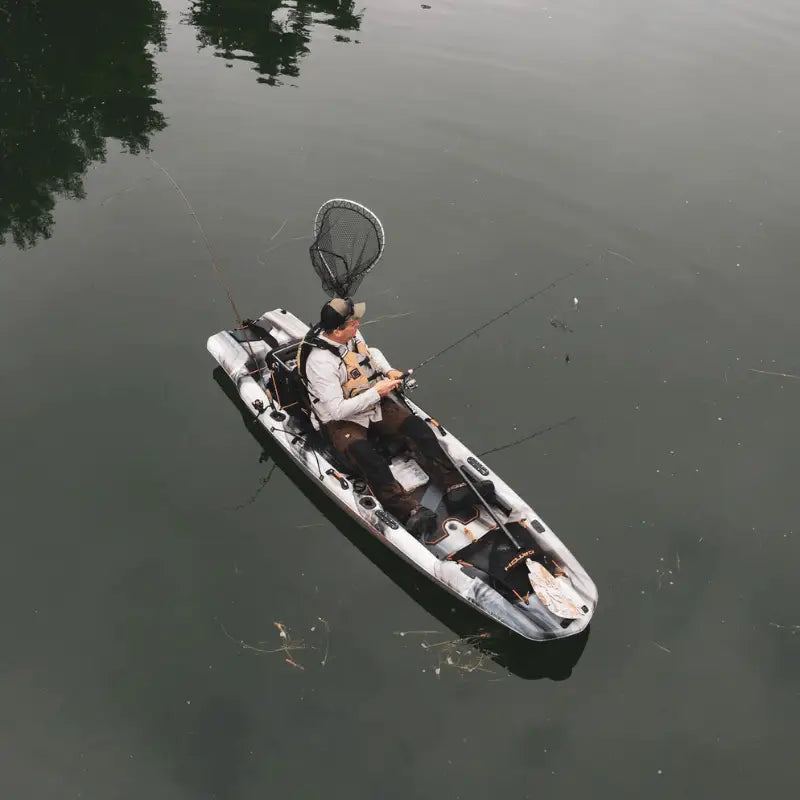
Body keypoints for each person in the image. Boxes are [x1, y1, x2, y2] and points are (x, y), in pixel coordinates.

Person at [299, 297, 492, 538]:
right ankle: (408, 511)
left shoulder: (351, 336)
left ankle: (455, 485)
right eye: (352, 323)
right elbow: (336, 410)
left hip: (372, 402)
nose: (358, 324)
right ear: (337, 331)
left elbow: (371, 353)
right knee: (367, 456)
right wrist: (376, 392)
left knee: (417, 429)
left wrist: (388, 371)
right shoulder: (320, 363)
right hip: (341, 420)